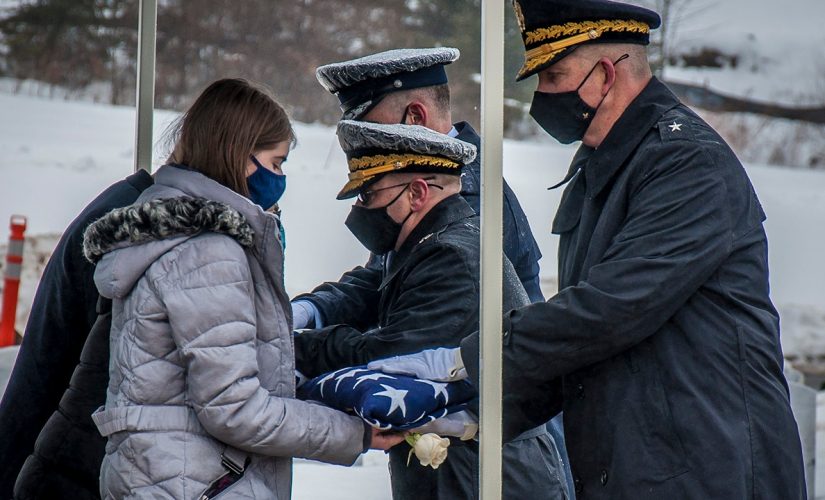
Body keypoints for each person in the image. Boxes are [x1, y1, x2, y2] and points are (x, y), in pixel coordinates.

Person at [369, 0, 808, 497]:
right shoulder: (604, 167)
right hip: (641, 468)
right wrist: (467, 416)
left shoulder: (685, 164)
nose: (542, 94)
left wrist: (462, 360)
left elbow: (608, 311)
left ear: (604, 74)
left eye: (554, 75)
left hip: (710, 469)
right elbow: (583, 348)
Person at [79, 78, 401, 500]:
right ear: (241, 155)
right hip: (197, 482)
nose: (280, 178)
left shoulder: (172, 234)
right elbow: (234, 409)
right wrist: (351, 432)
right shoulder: (208, 252)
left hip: (165, 474)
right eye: (277, 162)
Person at [297, 47, 574, 496]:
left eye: (368, 193)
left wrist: (290, 348)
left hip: (489, 465)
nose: (362, 208)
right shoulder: (428, 205)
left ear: (414, 118)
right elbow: (379, 279)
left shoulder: (465, 206)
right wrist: (307, 311)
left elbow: (394, 354)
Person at [0, 168, 153, 499]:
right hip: (52, 459)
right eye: (275, 163)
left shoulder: (126, 204)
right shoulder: (138, 229)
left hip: (43, 451)